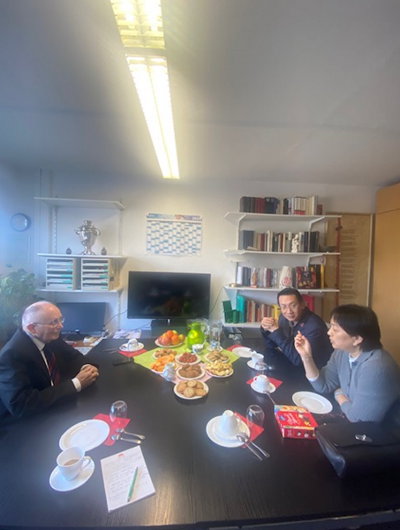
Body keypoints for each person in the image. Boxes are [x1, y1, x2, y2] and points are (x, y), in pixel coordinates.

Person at [294, 304, 400, 422]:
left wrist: (339, 395)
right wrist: (306, 357)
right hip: (352, 421)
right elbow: (323, 385)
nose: (329, 332)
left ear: (357, 339)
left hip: (381, 430)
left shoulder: (376, 368)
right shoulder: (342, 353)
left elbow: (358, 419)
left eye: (335, 329)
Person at [0, 301, 99, 420]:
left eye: (60, 319)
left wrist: (87, 367)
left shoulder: (50, 336)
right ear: (32, 328)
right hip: (26, 422)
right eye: (54, 322)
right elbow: (21, 405)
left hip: (54, 407)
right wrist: (76, 383)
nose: (60, 326)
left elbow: (74, 357)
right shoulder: (11, 355)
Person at [260, 287, 333, 369]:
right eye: (284, 307)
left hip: (316, 370)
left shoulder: (314, 326)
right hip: (291, 361)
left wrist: (276, 331)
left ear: (302, 304)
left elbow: (299, 360)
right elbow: (271, 345)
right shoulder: (283, 317)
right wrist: (266, 329)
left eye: (293, 305)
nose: (289, 311)